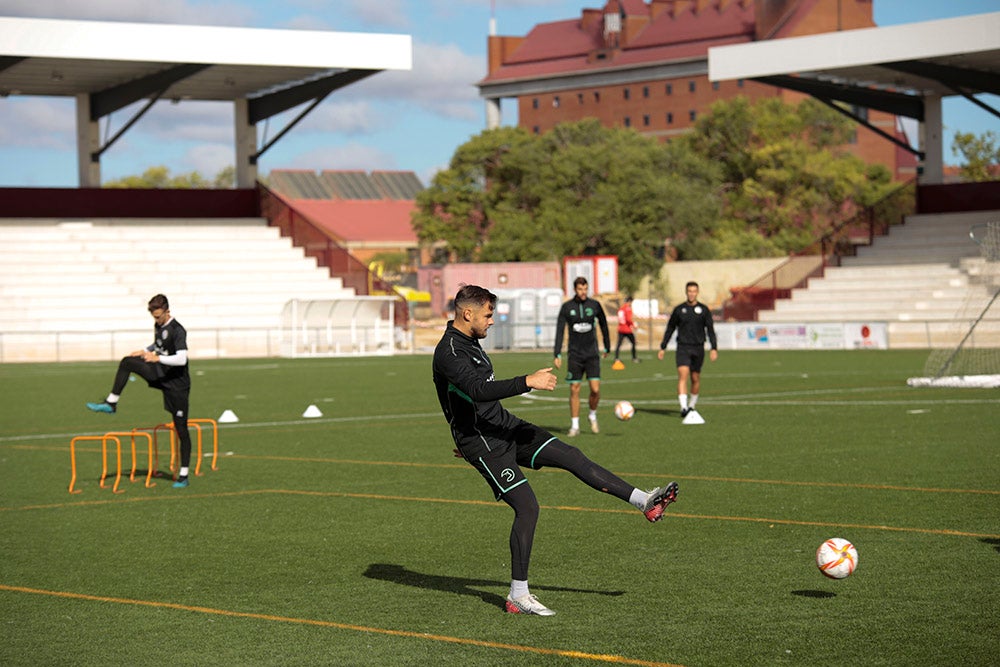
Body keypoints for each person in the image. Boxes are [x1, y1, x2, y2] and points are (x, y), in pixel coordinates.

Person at [433, 285, 679, 616]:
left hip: (503, 426)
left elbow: (459, 398)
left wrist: (461, 426)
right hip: (485, 442)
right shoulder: (448, 351)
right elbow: (476, 390)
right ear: (468, 313)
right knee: (528, 508)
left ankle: (644, 502)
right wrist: (525, 382)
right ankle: (517, 594)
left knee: (572, 456)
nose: (492, 321)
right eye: (489, 315)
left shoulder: (471, 342)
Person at [86, 294, 194, 489]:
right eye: (154, 317)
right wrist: (145, 350)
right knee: (127, 362)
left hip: (177, 385)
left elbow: (182, 359)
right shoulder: (159, 326)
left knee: (181, 429)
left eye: (159, 316)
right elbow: (159, 345)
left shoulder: (178, 330)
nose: (156, 320)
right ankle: (111, 403)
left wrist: (157, 359)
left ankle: (184, 475)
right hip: (161, 375)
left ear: (167, 311)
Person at [553, 277, 610, 436]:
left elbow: (604, 325)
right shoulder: (567, 307)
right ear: (575, 289)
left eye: (585, 289)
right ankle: (575, 426)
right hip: (575, 355)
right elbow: (559, 330)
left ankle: (592, 415)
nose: (583, 292)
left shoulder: (595, 305)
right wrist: (557, 353)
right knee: (575, 389)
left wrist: (607, 345)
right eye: (580, 289)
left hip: (592, 354)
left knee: (595, 389)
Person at [657, 281, 718, 417]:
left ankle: (692, 405)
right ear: (686, 292)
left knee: (695, 378)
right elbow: (670, 328)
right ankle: (683, 408)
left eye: (694, 291)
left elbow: (710, 330)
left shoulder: (704, 310)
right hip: (683, 347)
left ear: (697, 292)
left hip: (698, 348)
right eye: (689, 291)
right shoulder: (679, 310)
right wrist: (663, 347)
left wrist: (714, 348)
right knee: (682, 376)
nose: (691, 294)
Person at [614, 296, 640, 364]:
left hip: (620, 329)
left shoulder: (621, 309)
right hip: (627, 329)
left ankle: (616, 358)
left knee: (618, 344)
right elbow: (628, 319)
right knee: (633, 342)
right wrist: (634, 325)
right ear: (629, 301)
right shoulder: (628, 308)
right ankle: (634, 358)